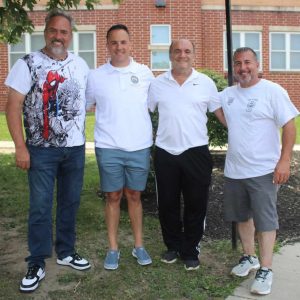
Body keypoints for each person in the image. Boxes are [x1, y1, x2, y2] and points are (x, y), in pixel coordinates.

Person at [5, 9, 91, 293]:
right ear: (45, 31)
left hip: (75, 150)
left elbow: (85, 103)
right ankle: (37, 261)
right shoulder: (28, 63)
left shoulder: (80, 65)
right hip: (40, 150)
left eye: (64, 32)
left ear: (70, 35)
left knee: (69, 203)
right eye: (54, 30)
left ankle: (65, 252)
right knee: (40, 207)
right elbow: (13, 105)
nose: (58, 36)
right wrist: (20, 147)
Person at [219, 47, 299, 295]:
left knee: (265, 221)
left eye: (247, 62)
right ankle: (249, 257)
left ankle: (266, 270)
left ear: (257, 64)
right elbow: (222, 115)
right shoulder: (227, 95)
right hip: (235, 169)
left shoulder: (272, 91)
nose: (243, 68)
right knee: (242, 216)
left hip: (263, 170)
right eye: (238, 63)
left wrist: (284, 160)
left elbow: (289, 124)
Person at [148, 39, 226, 271]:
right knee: (167, 203)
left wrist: (241, 132)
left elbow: (220, 113)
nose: (182, 55)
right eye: (177, 51)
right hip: (165, 152)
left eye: (187, 51)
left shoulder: (205, 83)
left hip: (196, 152)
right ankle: (172, 245)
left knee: (196, 203)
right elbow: (145, 112)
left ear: (194, 55)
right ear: (170, 55)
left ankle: (190, 249)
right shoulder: (157, 83)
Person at [86, 24, 153, 270]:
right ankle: (113, 248)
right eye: (114, 42)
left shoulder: (145, 73)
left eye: (123, 42)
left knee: (134, 196)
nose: (119, 47)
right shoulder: (96, 76)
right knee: (113, 196)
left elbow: (158, 104)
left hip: (139, 146)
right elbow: (83, 105)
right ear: (107, 46)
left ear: (130, 44)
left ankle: (139, 246)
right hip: (108, 145)